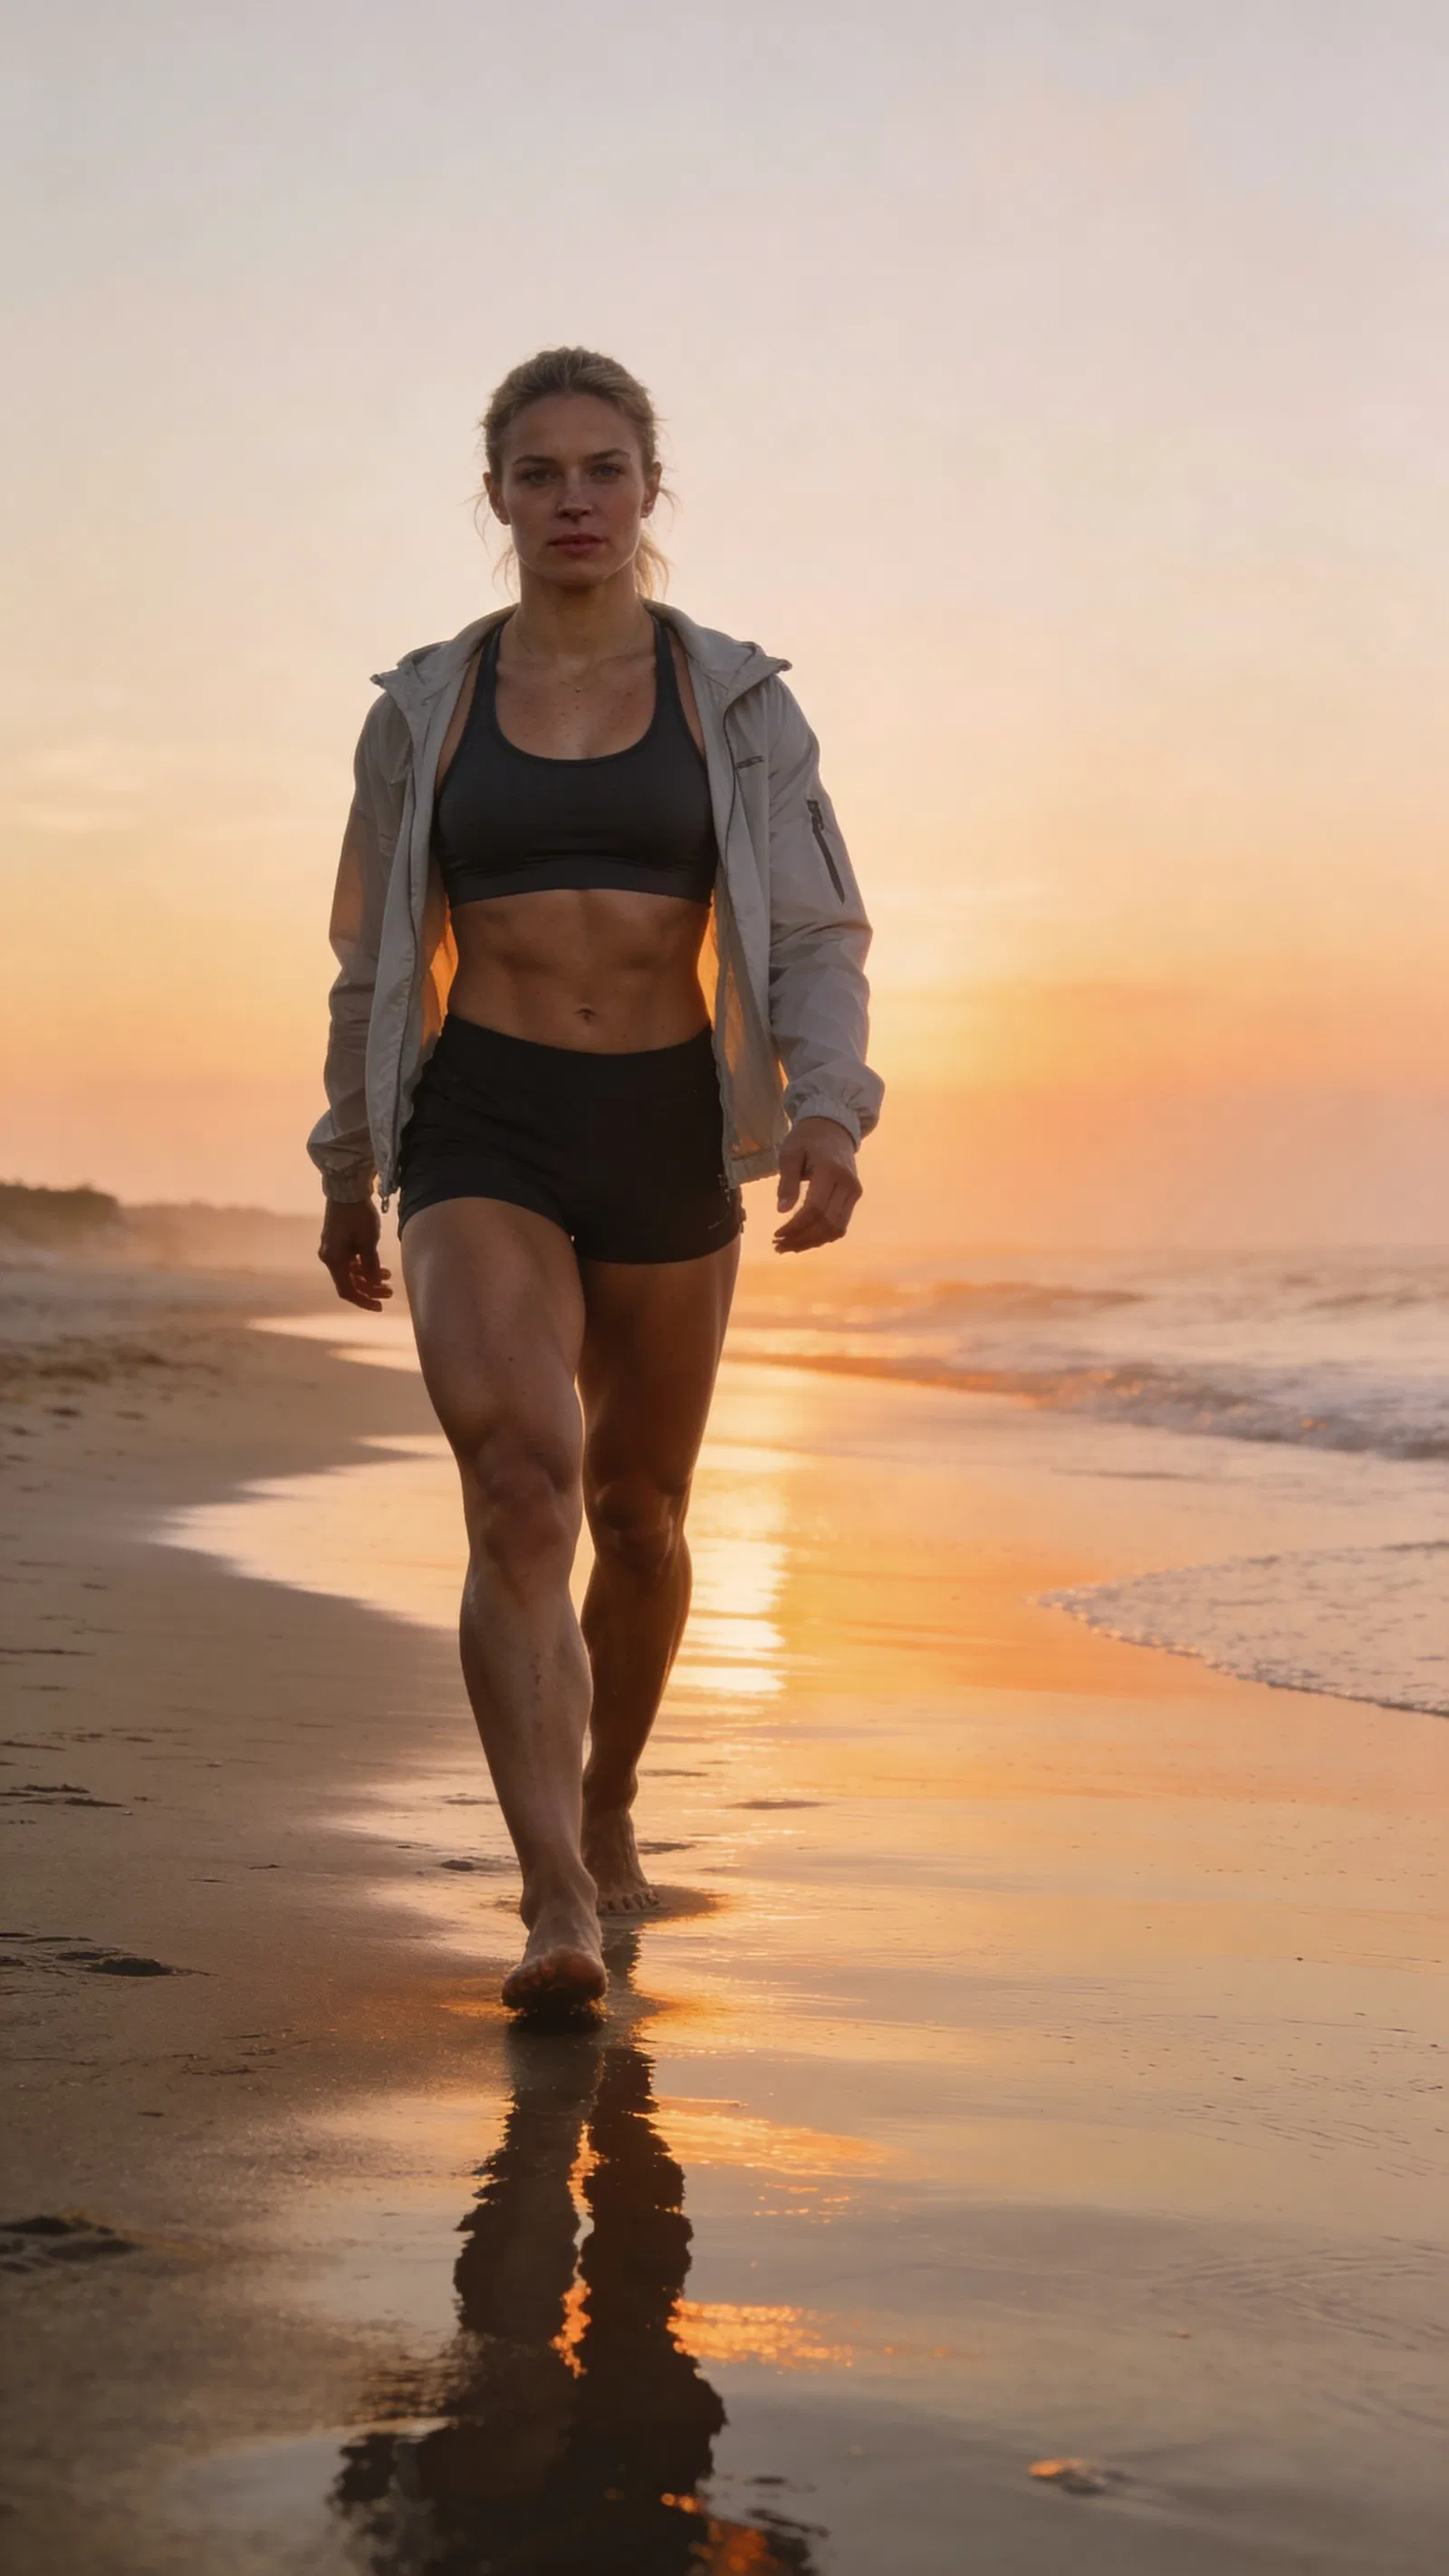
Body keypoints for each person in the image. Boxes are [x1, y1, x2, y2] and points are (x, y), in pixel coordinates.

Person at [310, 347, 881, 2011]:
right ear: (495, 494)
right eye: (542, 470)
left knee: (637, 1521)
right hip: (480, 1116)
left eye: (605, 469)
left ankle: (613, 1795)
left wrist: (831, 1116)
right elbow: (373, 953)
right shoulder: (426, 707)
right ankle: (554, 1893)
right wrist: (353, 1162)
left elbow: (822, 924)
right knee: (520, 1485)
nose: (574, 499)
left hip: (665, 1125)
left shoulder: (740, 702)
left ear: (650, 491)